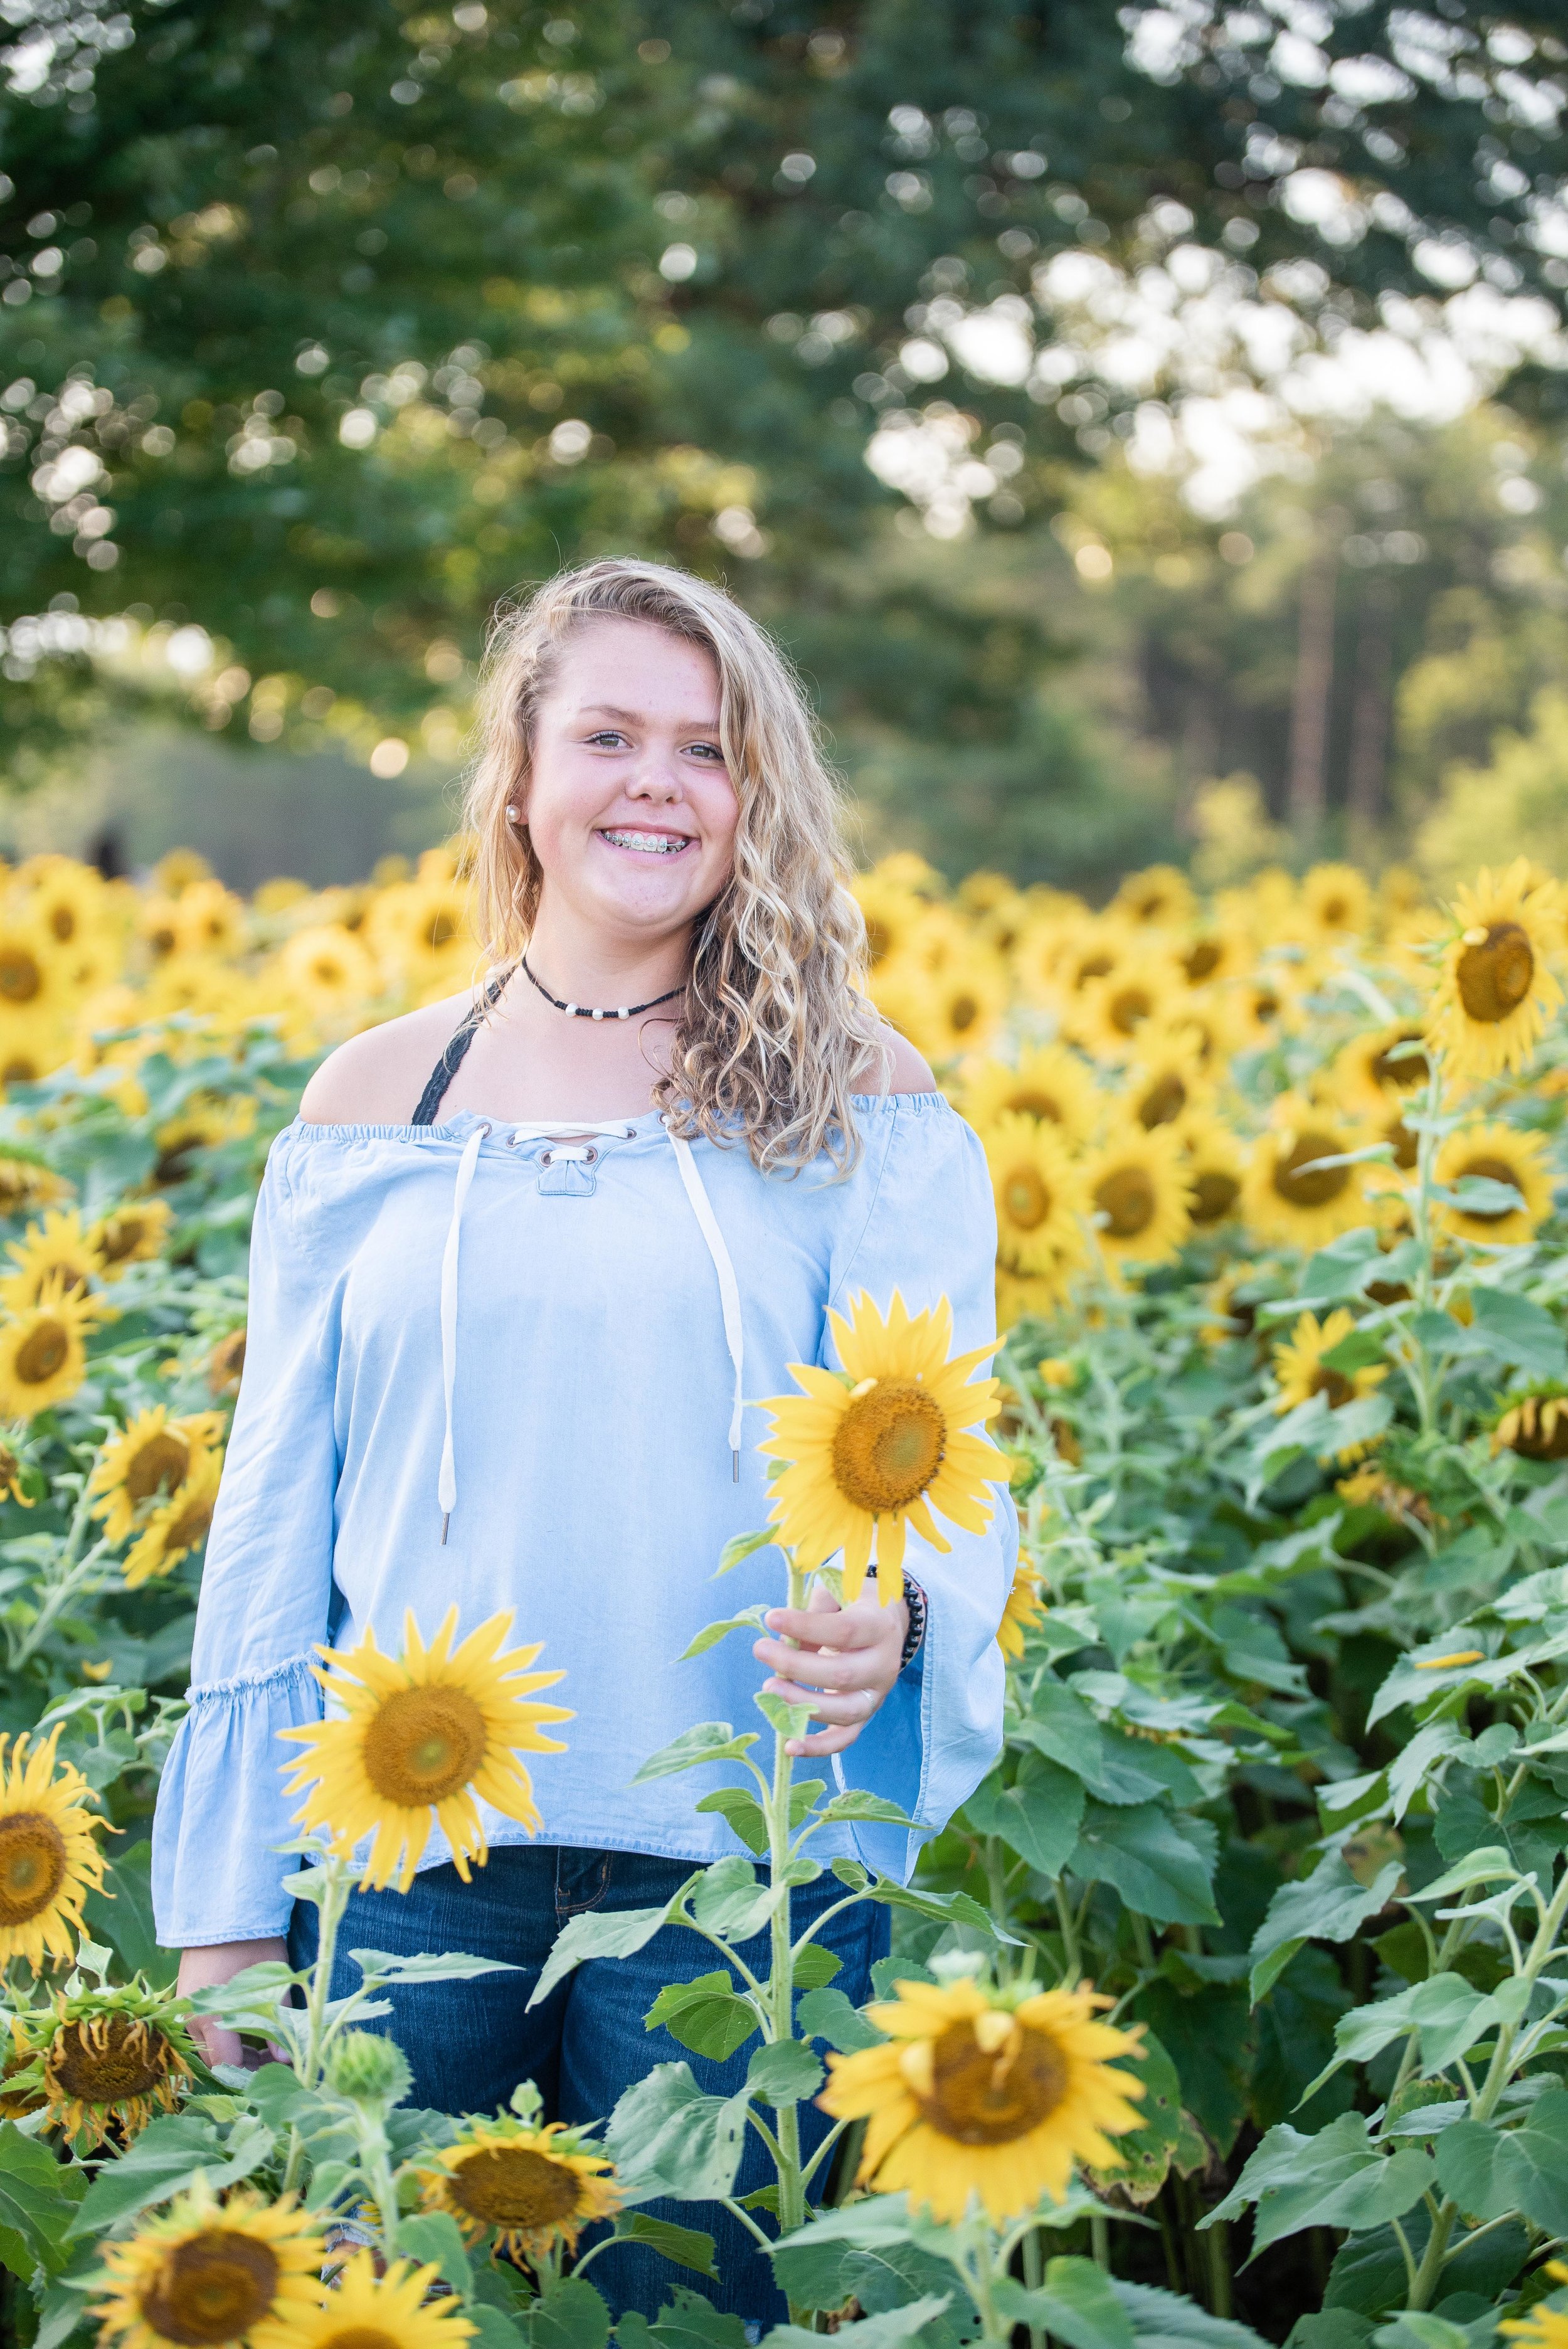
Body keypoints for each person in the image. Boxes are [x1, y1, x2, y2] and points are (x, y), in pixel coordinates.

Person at [152, 556, 1015, 2323]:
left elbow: (942, 1457)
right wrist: (223, 1901)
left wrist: (908, 1617)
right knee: (388, 2303)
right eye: (610, 733)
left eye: (704, 748)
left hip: (741, 1836)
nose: (656, 781)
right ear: (522, 776)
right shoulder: (369, 1106)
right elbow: (271, 1516)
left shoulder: (856, 1100)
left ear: (749, 794)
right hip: (404, 1842)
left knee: (693, 2310)